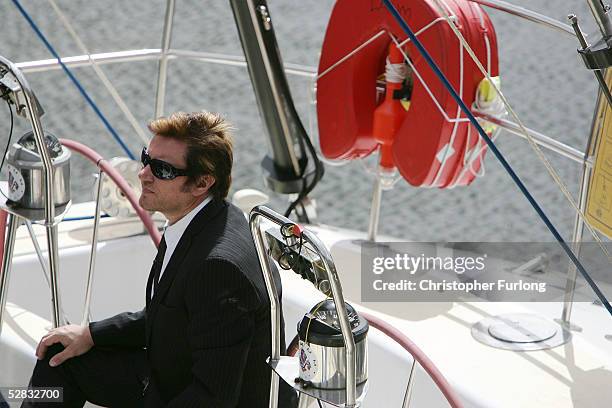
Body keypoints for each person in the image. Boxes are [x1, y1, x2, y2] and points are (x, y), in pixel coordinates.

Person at [23, 111, 296, 407]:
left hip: (191, 393)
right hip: (170, 373)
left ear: (202, 182)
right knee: (59, 356)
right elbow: (169, 317)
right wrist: (90, 334)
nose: (143, 174)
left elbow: (212, 397)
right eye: (146, 159)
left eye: (162, 170)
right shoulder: (203, 218)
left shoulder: (218, 268)